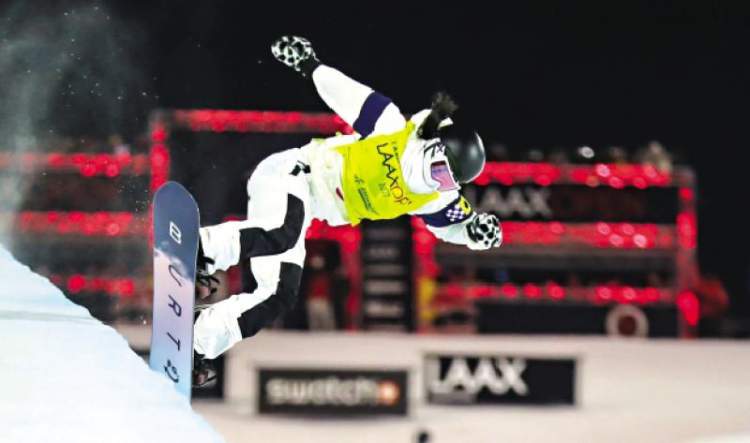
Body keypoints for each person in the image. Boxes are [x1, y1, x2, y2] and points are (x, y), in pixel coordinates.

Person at [192, 36, 502, 384]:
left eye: (446, 181)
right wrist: (309, 64)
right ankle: (200, 249)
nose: (435, 181)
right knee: (282, 233)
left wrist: (477, 234)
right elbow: (346, 95)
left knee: (278, 295)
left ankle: (199, 341)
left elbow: (456, 225)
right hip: (294, 173)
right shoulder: (392, 129)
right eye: (439, 170)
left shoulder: (435, 197)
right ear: (434, 145)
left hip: (306, 209)